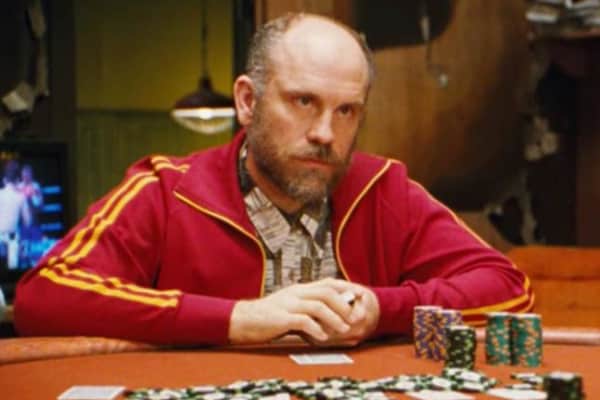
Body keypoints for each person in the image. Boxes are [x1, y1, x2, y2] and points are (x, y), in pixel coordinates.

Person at [14, 13, 533, 346]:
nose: (326, 133)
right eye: (304, 101)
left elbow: (508, 289)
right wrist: (238, 320)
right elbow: (43, 297)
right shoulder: (165, 190)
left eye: (347, 111)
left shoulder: (384, 188)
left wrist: (382, 308)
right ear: (247, 101)